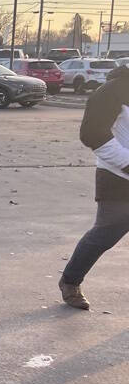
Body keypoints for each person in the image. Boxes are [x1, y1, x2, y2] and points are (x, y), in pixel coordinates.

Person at [60, 65, 129, 309]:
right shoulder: (113, 91)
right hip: (118, 177)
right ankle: (70, 281)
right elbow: (92, 133)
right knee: (105, 235)